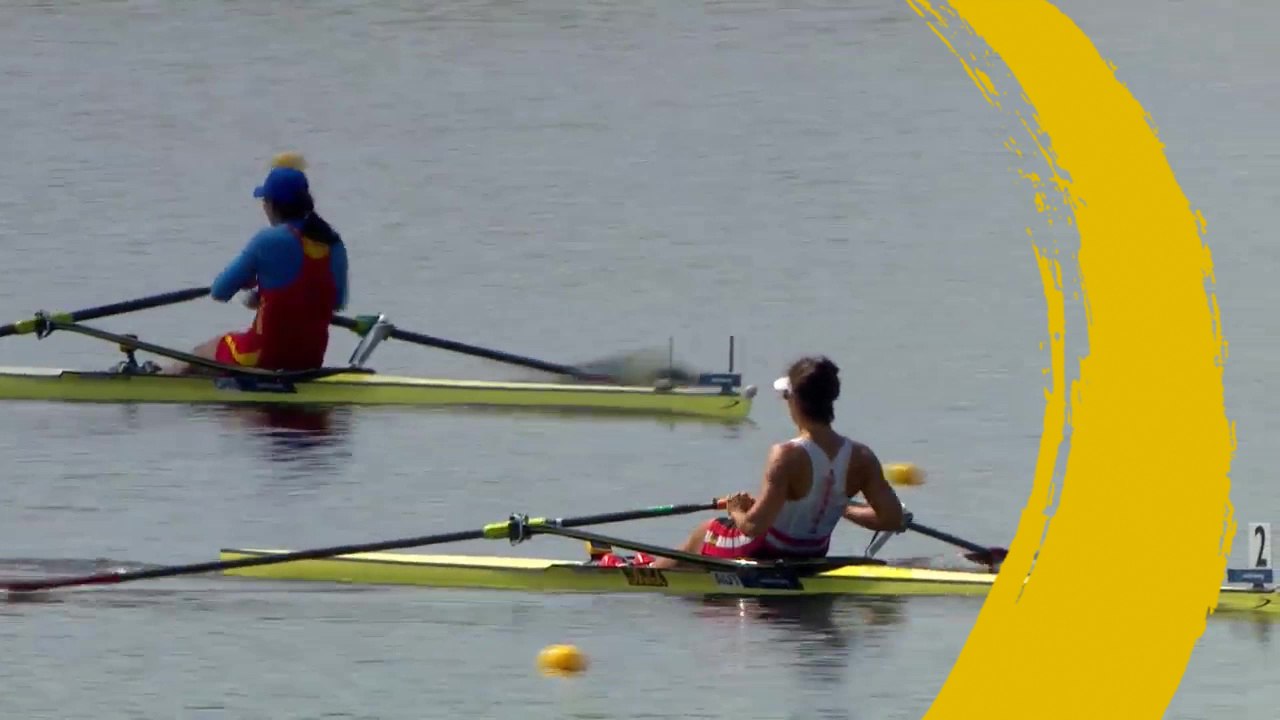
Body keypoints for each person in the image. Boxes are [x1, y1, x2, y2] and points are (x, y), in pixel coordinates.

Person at [644, 355, 908, 570]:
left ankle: (651, 574)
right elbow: (892, 519)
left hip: (763, 551)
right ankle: (665, 566)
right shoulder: (862, 457)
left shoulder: (786, 454)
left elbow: (753, 527)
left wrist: (736, 509)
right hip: (813, 552)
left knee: (706, 531)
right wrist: (838, 506)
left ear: (794, 400)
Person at [171, 153, 349, 374]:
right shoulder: (333, 243)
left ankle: (155, 379)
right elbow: (336, 302)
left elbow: (219, 291)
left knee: (203, 351)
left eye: (264, 201)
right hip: (311, 358)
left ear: (272, 205)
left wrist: (254, 285)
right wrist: (266, 292)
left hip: (262, 356)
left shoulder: (268, 240)